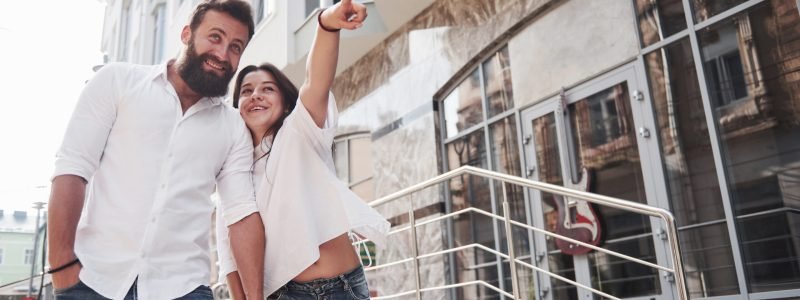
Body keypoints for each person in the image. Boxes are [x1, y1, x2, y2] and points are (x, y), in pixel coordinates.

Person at [47, 1, 267, 299]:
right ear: (186, 34)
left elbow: (241, 214)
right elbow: (72, 168)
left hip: (183, 287)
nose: (222, 54)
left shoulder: (232, 127)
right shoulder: (117, 81)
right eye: (215, 37)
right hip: (93, 281)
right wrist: (61, 268)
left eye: (236, 47)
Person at [215, 0, 390, 299]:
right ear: (237, 108)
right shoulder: (232, 171)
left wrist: (327, 24)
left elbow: (316, 80)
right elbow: (230, 258)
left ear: (285, 103)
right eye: (246, 91)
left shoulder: (299, 132)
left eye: (267, 88)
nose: (256, 95)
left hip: (340, 288)